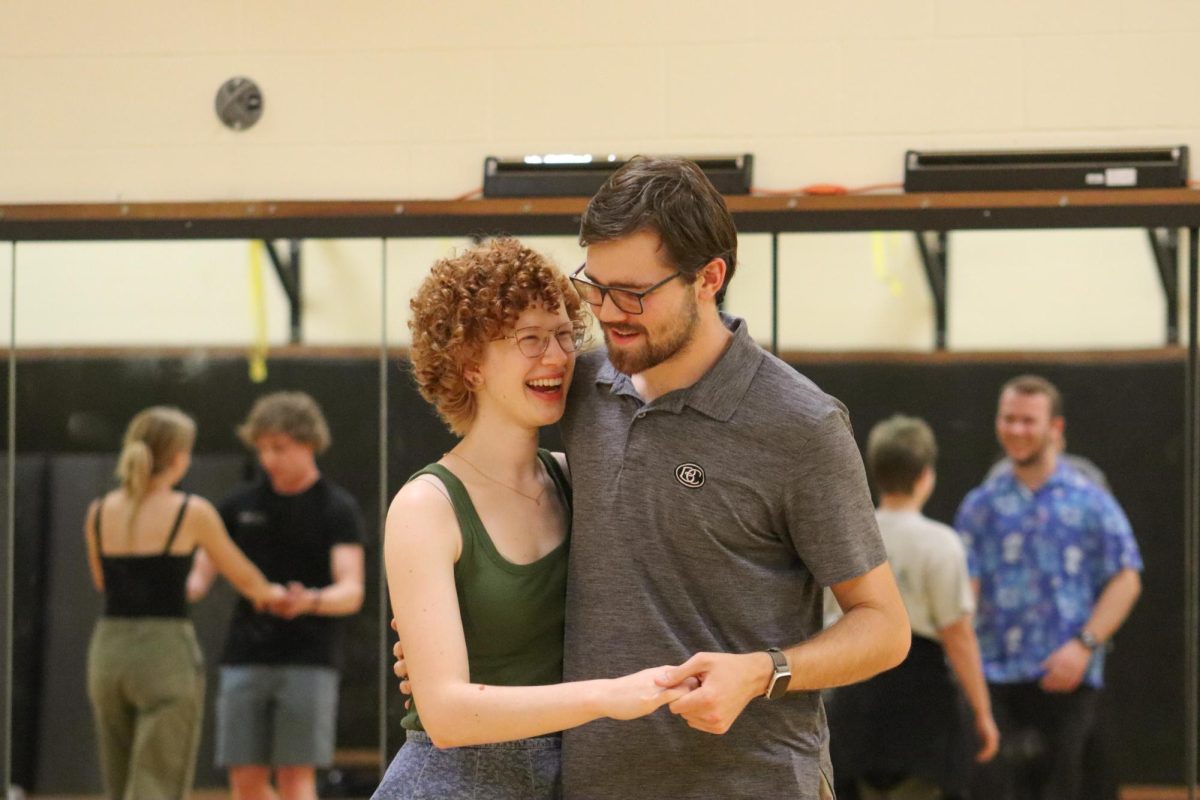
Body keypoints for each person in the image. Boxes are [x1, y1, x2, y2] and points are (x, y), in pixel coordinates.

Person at [396, 157, 911, 798]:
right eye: (596, 286)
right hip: (596, 784)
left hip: (754, 781)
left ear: (709, 278)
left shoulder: (800, 425)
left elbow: (885, 627)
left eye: (635, 293)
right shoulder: (579, 387)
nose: (609, 313)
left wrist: (763, 672)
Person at [374, 238, 694, 800]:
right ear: (469, 364)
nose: (557, 357)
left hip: (567, 778)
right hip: (449, 784)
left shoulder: (579, 479)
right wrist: (604, 698)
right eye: (530, 340)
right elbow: (446, 714)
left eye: (565, 335)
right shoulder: (426, 506)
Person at [955, 375, 1143, 800]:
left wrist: (1085, 643)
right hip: (994, 682)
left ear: (1055, 428)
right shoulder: (980, 505)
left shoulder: (1090, 500)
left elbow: (1126, 578)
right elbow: (964, 593)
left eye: (1028, 420)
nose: (1016, 430)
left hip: (1067, 681)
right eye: (1008, 419)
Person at [85, 406, 284, 800]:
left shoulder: (97, 512)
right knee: (157, 783)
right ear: (178, 457)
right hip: (164, 653)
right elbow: (244, 576)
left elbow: (101, 581)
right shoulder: (190, 511)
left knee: (117, 782)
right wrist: (276, 596)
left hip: (107, 654)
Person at [188, 391, 366, 800]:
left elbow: (351, 591)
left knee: (295, 781)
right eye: (262, 448)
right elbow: (197, 580)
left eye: (279, 448)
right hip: (245, 657)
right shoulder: (236, 505)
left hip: (308, 659)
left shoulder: (337, 509)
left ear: (309, 442)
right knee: (245, 783)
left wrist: (310, 601)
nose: (269, 459)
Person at [825, 414, 999, 800]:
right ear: (926, 476)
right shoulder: (941, 543)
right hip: (921, 699)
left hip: (852, 687)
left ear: (875, 471)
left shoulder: (846, 532)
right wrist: (982, 713)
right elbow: (958, 636)